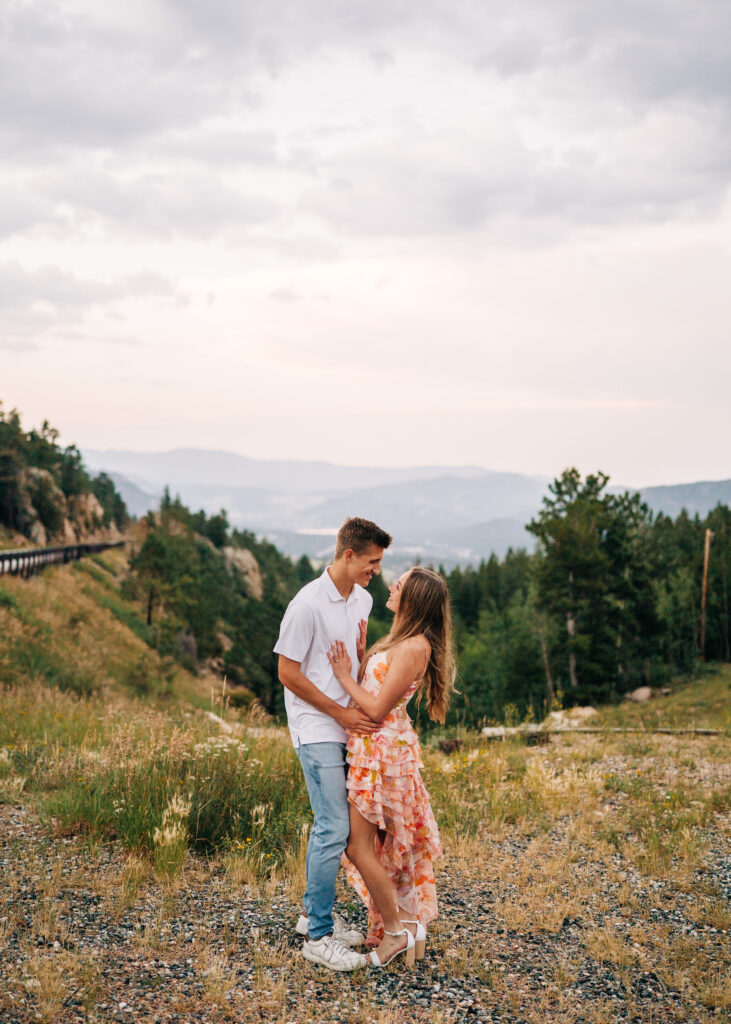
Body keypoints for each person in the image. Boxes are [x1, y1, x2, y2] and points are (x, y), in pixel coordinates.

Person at [274, 516, 392, 971]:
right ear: (348, 555)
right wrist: (340, 712)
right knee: (333, 828)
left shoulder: (361, 600)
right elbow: (288, 673)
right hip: (316, 726)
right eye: (371, 561)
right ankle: (319, 938)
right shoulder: (305, 605)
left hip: (349, 728)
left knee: (345, 828)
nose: (376, 571)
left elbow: (352, 664)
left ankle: (311, 916)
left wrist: (363, 668)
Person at [327, 566, 455, 968]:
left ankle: (397, 932)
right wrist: (366, 657)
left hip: (383, 756)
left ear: (413, 599)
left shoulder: (415, 647)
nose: (390, 587)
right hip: (375, 750)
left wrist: (344, 676)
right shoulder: (403, 641)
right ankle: (404, 926)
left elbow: (378, 708)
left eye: (397, 585)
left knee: (359, 846)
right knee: (379, 848)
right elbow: (378, 688)